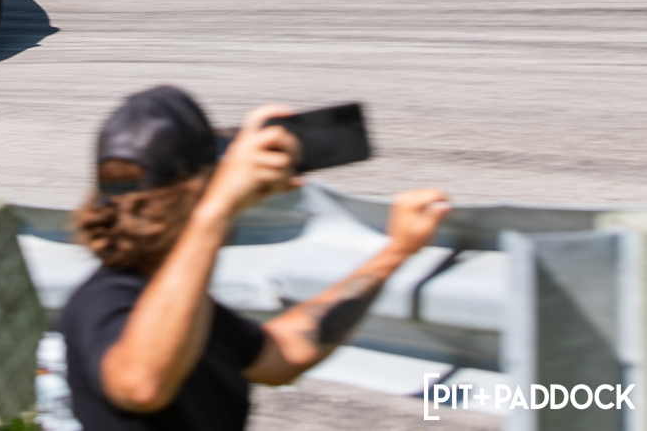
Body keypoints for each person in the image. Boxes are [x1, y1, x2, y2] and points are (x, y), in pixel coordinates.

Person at [58, 86, 450, 431]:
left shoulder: (187, 309)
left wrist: (396, 251)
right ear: (197, 191)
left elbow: (284, 353)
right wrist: (216, 212)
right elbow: (141, 385)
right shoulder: (103, 300)